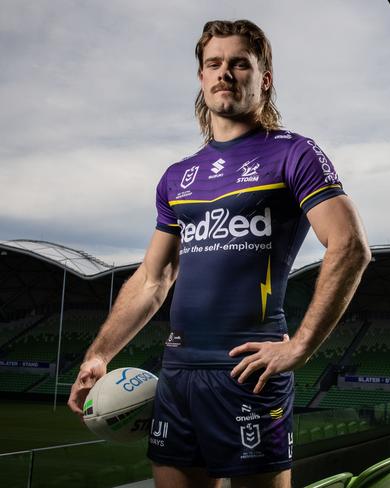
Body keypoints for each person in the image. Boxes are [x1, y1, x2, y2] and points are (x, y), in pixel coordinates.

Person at [67, 19, 370, 488]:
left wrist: (301, 345)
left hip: (248, 371)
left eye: (238, 63)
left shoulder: (294, 154)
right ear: (201, 78)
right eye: (214, 63)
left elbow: (349, 247)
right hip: (178, 374)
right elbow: (154, 278)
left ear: (263, 79)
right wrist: (99, 353)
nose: (224, 72)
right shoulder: (177, 176)